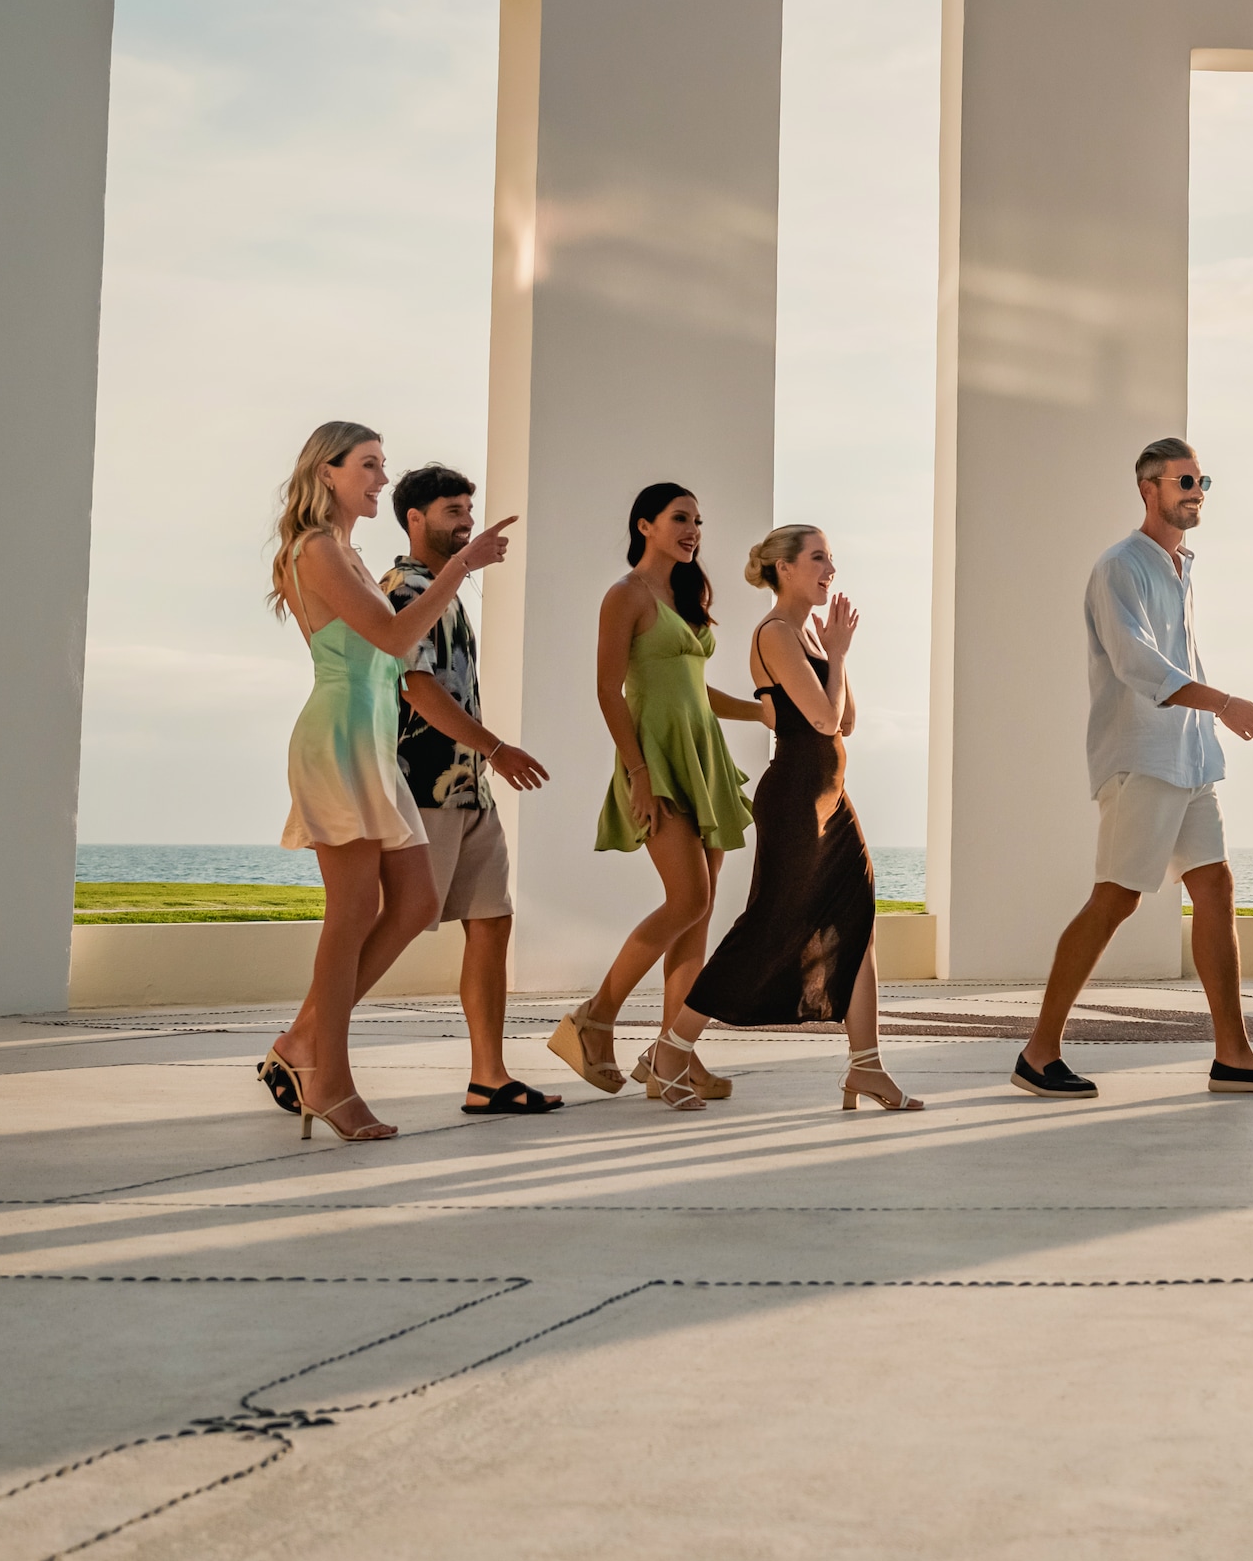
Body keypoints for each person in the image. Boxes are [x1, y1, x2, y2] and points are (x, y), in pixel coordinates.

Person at [1010, 437, 1253, 1100]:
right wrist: (1226, 703)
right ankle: (1038, 1052)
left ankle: (1233, 1056)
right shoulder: (1121, 567)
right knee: (1115, 899)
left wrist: (1210, 723)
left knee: (1216, 887)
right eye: (1184, 480)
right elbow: (1138, 665)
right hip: (1142, 759)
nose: (1196, 490)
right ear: (1149, 488)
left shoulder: (1182, 567)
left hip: (1189, 758)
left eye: (1202, 480)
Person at [263, 421, 514, 1145]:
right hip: (336, 738)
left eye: (382, 465)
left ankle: (303, 1042)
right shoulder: (316, 550)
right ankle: (328, 1080)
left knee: (414, 901)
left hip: (370, 743)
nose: (379, 478)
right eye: (368, 466)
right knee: (352, 912)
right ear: (328, 472)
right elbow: (398, 640)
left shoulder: (347, 551)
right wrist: (461, 567)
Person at [547, 482, 769, 1111]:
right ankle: (594, 1018)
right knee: (689, 898)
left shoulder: (687, 596)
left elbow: (697, 694)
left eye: (699, 520)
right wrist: (638, 773)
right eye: (679, 518)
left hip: (704, 763)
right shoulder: (625, 596)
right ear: (644, 525)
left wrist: (761, 714)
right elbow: (607, 691)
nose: (693, 529)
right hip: (657, 766)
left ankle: (673, 1054)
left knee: (698, 912)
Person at [685, 525, 920, 1112]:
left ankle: (866, 1068)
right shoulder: (775, 633)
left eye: (831, 560)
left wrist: (835, 652)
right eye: (818, 558)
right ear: (784, 568)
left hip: (832, 797)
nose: (829, 570)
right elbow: (821, 721)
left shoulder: (809, 633)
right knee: (769, 924)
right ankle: (670, 1048)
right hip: (795, 798)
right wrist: (836, 656)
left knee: (859, 924)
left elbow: (850, 720)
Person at [380, 464, 560, 1116]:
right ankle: (301, 1045)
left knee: (491, 921)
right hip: (421, 788)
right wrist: (496, 748)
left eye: (468, 510)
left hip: (467, 792)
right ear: (415, 519)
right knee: (385, 932)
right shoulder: (404, 588)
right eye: (453, 511)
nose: (466, 521)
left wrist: (484, 765)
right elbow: (416, 687)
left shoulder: (448, 591)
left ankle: (489, 1077)